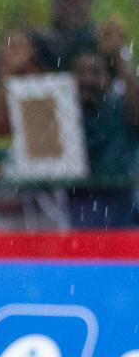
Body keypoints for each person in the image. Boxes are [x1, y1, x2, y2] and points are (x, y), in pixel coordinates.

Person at [67, 47, 139, 228]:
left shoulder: (121, 108)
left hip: (121, 208)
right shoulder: (64, 112)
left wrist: (118, 55)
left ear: (109, 78)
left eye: (96, 72)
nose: (88, 79)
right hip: (76, 209)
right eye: (81, 72)